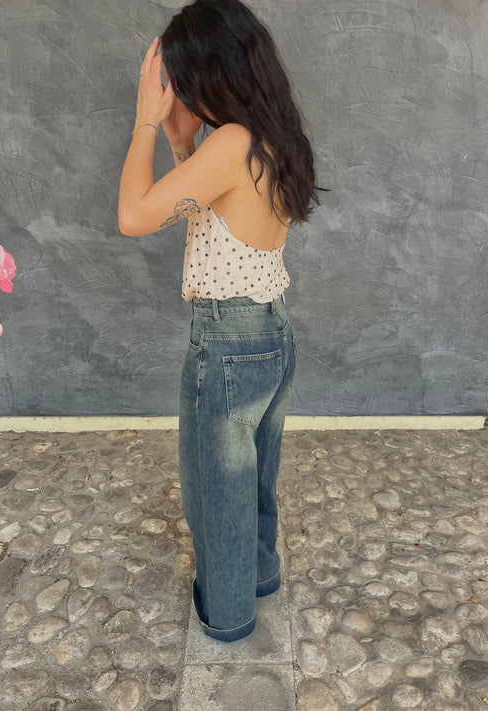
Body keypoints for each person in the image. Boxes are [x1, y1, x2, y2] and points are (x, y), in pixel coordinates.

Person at [118, 0, 325, 642]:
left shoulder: (232, 143)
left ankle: (229, 614)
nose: (178, 91)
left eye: (185, 78)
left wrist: (145, 123)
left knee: (216, 492)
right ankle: (258, 576)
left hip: (228, 344)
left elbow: (134, 216)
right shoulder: (267, 138)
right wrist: (182, 140)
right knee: (252, 478)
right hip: (270, 334)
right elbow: (209, 205)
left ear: (212, 71)